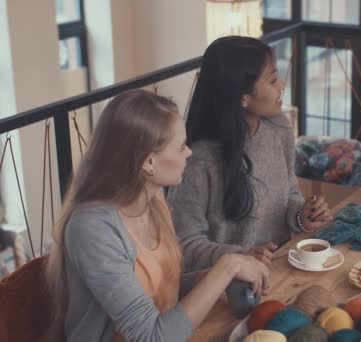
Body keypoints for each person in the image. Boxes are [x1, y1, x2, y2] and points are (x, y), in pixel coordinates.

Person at [45, 89, 270, 342]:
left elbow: (154, 290)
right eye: (181, 146)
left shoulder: (153, 199)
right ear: (148, 162)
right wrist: (226, 267)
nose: (189, 153)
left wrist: (208, 279)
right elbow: (150, 337)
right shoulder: (92, 229)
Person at [168, 36, 332, 271]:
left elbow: (289, 192)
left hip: (282, 269)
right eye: (273, 80)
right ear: (242, 97)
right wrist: (240, 256)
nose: (282, 85)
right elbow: (183, 243)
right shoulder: (198, 160)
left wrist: (303, 216)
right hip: (229, 288)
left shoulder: (280, 127)